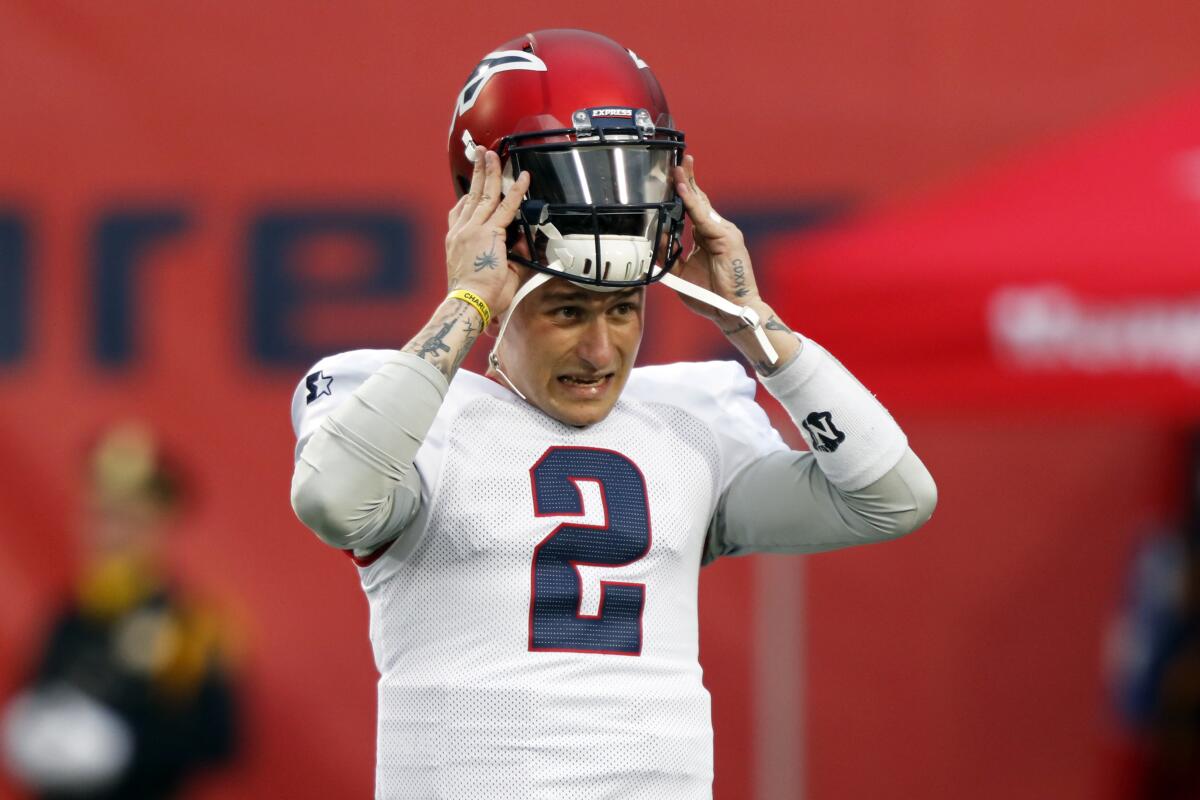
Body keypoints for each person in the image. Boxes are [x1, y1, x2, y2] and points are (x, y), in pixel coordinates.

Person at [289, 29, 936, 799]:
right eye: (566, 310)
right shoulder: (409, 408)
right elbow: (333, 500)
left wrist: (754, 323)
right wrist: (464, 302)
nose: (601, 350)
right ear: (501, 299)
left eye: (624, 309)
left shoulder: (687, 422)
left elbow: (893, 498)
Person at [3, 423, 239, 800]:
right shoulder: (66, 618)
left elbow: (221, 740)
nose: (111, 535)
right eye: (101, 517)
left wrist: (125, 747)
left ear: (159, 526)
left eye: (128, 520)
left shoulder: (192, 625)